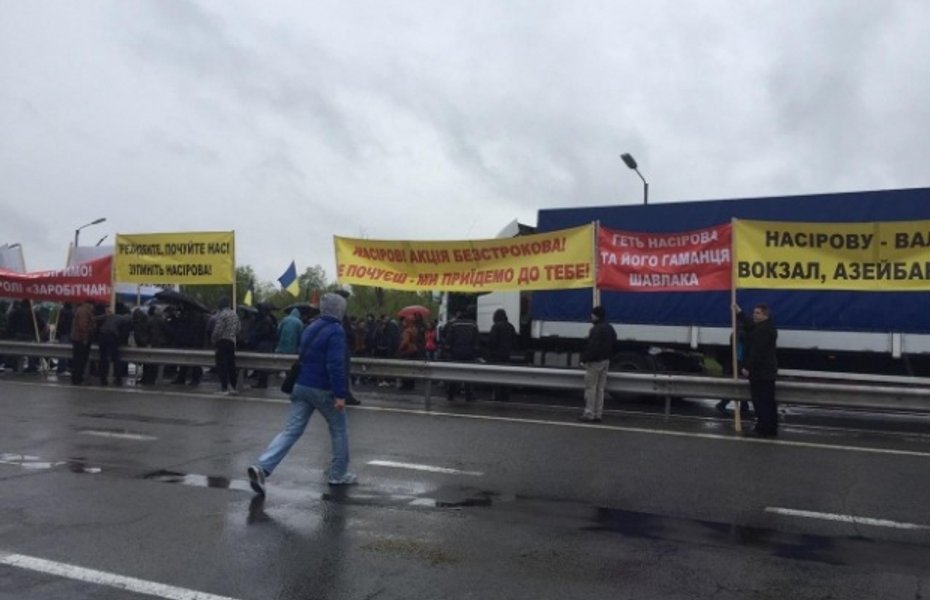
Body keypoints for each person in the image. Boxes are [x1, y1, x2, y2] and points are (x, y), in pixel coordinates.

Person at [247, 292, 356, 496]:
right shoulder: (336, 331)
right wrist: (340, 394)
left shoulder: (311, 326)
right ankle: (338, 474)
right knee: (339, 429)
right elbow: (335, 365)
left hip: (301, 385)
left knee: (291, 430)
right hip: (322, 388)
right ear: (340, 310)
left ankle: (262, 467)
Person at [734, 302, 779, 437]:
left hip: (761, 372)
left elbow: (757, 352)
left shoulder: (763, 330)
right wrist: (739, 312)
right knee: (768, 401)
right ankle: (770, 428)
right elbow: (750, 324)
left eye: (757, 313)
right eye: (754, 312)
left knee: (761, 401)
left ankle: (763, 429)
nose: (754, 315)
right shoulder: (764, 327)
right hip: (766, 372)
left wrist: (747, 367)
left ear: (765, 315)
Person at [579, 305, 617, 422]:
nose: (591, 316)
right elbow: (614, 341)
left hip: (595, 362)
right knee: (600, 389)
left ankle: (589, 413)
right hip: (606, 361)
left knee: (591, 388)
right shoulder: (610, 328)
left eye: (592, 314)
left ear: (596, 316)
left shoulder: (595, 329)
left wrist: (583, 359)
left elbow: (592, 347)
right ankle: (598, 414)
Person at [443, 307, 480, 402]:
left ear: (459, 314)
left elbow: (448, 340)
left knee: (454, 374)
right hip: (469, 354)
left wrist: (448, 350)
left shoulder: (454, 324)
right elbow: (476, 341)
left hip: (455, 353)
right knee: (468, 375)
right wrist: (475, 352)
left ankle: (451, 394)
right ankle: (469, 395)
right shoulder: (473, 324)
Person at [211, 297, 241, 395]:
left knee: (222, 365)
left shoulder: (222, 315)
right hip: (231, 342)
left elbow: (218, 330)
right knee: (231, 365)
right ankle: (233, 387)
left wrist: (213, 340)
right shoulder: (234, 314)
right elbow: (238, 329)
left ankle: (224, 388)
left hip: (222, 341)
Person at [487, 308, 517, 402]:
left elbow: (492, 342)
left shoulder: (495, 327)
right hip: (507, 355)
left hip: (497, 356)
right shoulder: (511, 326)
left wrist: (491, 353)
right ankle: (506, 397)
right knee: (506, 377)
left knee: (496, 377)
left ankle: (497, 396)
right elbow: (514, 342)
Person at [70, 300, 96, 385]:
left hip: (78, 339)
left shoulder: (81, 310)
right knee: (80, 360)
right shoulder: (84, 311)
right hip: (81, 340)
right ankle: (77, 379)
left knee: (78, 360)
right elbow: (83, 326)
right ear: (90, 304)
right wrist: (85, 338)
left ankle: (77, 378)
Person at [56, 302, 74, 375]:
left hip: (62, 333)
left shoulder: (61, 312)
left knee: (62, 351)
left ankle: (61, 368)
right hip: (67, 333)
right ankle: (62, 368)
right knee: (65, 351)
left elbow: (59, 323)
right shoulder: (70, 313)